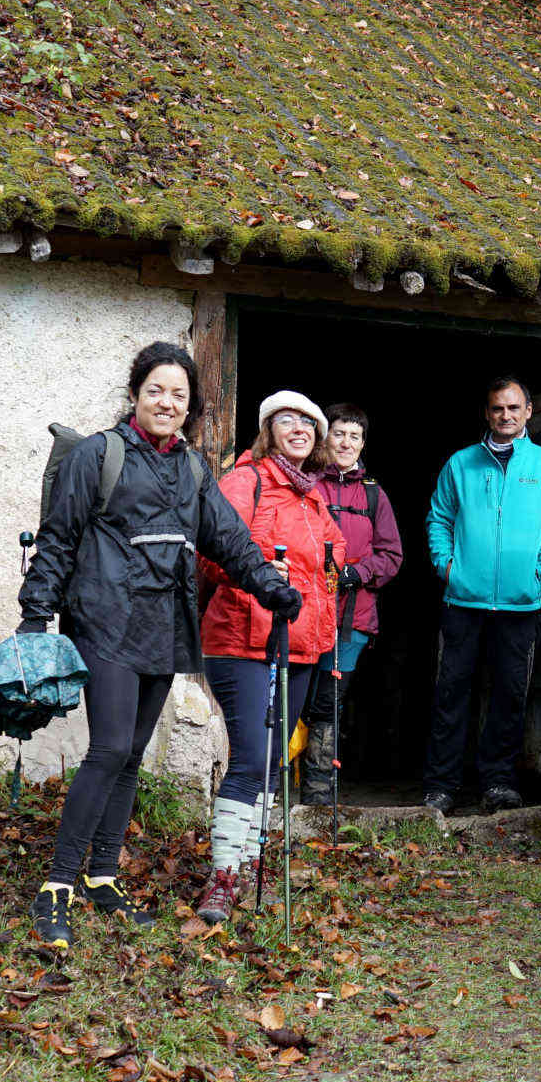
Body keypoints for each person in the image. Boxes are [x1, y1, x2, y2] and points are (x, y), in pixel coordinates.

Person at [16, 344, 300, 946]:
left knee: (132, 754)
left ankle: (102, 875)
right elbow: (58, 538)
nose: (167, 403)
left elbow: (230, 540)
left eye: (179, 395)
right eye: (156, 391)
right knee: (109, 747)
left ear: (190, 407)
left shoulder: (192, 469)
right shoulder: (99, 454)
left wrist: (270, 586)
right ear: (135, 394)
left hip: (164, 623)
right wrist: (35, 614)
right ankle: (57, 885)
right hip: (103, 618)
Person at [196, 392, 346, 921]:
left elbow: (332, 561)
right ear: (268, 430)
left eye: (309, 421)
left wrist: (328, 591)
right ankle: (223, 876)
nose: (299, 428)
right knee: (252, 759)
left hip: (299, 645)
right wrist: (259, 569)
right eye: (287, 420)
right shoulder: (246, 482)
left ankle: (250, 862)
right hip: (242, 641)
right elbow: (211, 551)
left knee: (275, 761)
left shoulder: (314, 498)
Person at [424, 377, 541, 815]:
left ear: (528, 412)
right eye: (497, 409)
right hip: (463, 602)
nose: (506, 416)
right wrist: (448, 568)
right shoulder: (461, 463)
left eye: (513, 408)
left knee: (510, 695)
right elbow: (439, 518)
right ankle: (441, 785)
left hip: (522, 604)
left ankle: (498, 783)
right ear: (487, 414)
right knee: (451, 693)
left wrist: (538, 577)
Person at [305, 404, 404, 807]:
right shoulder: (307, 483)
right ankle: (274, 783)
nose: (346, 443)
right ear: (324, 437)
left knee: (330, 699)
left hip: (352, 617)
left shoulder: (373, 494)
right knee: (293, 694)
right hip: (304, 611)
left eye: (355, 436)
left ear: (363, 444)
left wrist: (358, 573)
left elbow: (392, 555)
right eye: (339, 433)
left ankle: (318, 790)